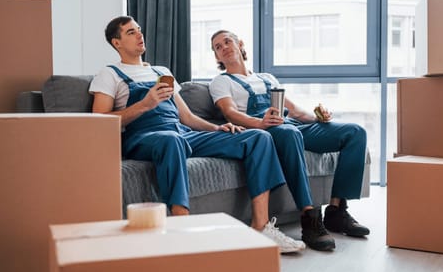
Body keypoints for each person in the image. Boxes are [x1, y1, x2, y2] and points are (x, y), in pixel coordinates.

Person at [89, 16, 305, 253]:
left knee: (258, 137)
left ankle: (261, 226)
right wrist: (145, 104)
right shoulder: (109, 74)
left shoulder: (161, 71)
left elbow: (188, 118)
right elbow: (100, 121)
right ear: (116, 43)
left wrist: (218, 128)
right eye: (131, 32)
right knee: (171, 141)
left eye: (139, 30)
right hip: (145, 136)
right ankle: (182, 229)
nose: (140, 35)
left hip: (182, 133)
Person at [209, 29, 370, 251]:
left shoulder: (267, 78)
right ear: (217, 57)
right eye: (218, 47)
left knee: (355, 132)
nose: (224, 47)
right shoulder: (221, 82)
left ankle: (336, 211)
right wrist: (260, 123)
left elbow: (292, 110)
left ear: (240, 44)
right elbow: (230, 113)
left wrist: (318, 118)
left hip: (288, 126)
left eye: (227, 41)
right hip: (263, 130)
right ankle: (309, 217)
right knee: (290, 133)